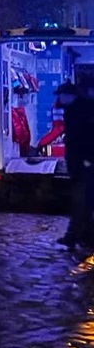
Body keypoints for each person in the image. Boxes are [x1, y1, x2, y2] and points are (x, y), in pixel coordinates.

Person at [58, 82, 94, 247]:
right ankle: (84, 236)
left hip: (83, 162)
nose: (60, 98)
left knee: (81, 200)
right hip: (80, 161)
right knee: (84, 201)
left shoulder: (81, 110)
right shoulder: (77, 109)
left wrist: (86, 158)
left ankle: (74, 236)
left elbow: (83, 138)